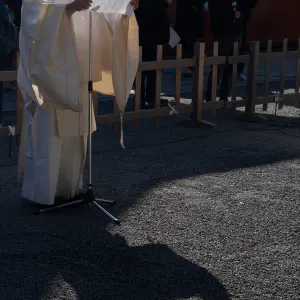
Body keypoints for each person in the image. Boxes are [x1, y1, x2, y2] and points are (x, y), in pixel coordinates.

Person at [18, 0, 139, 205]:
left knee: (76, 137)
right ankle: (44, 193)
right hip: (53, 74)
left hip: (79, 66)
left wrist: (123, 8)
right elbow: (33, 16)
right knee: (50, 135)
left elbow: (100, 13)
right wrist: (69, 8)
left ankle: (71, 189)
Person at [134, 0, 170, 109]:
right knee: (152, 70)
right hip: (153, 37)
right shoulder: (157, 5)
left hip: (141, 36)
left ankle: (140, 99)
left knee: (140, 70)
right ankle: (150, 98)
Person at [206, 0, 242, 102]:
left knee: (230, 65)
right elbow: (216, 8)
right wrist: (232, 14)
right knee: (218, 65)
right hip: (222, 31)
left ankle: (224, 94)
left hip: (234, 30)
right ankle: (211, 95)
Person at [236, 0, 258, 80]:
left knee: (241, 45)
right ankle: (236, 71)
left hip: (242, 15)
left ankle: (239, 70)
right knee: (237, 44)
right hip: (235, 13)